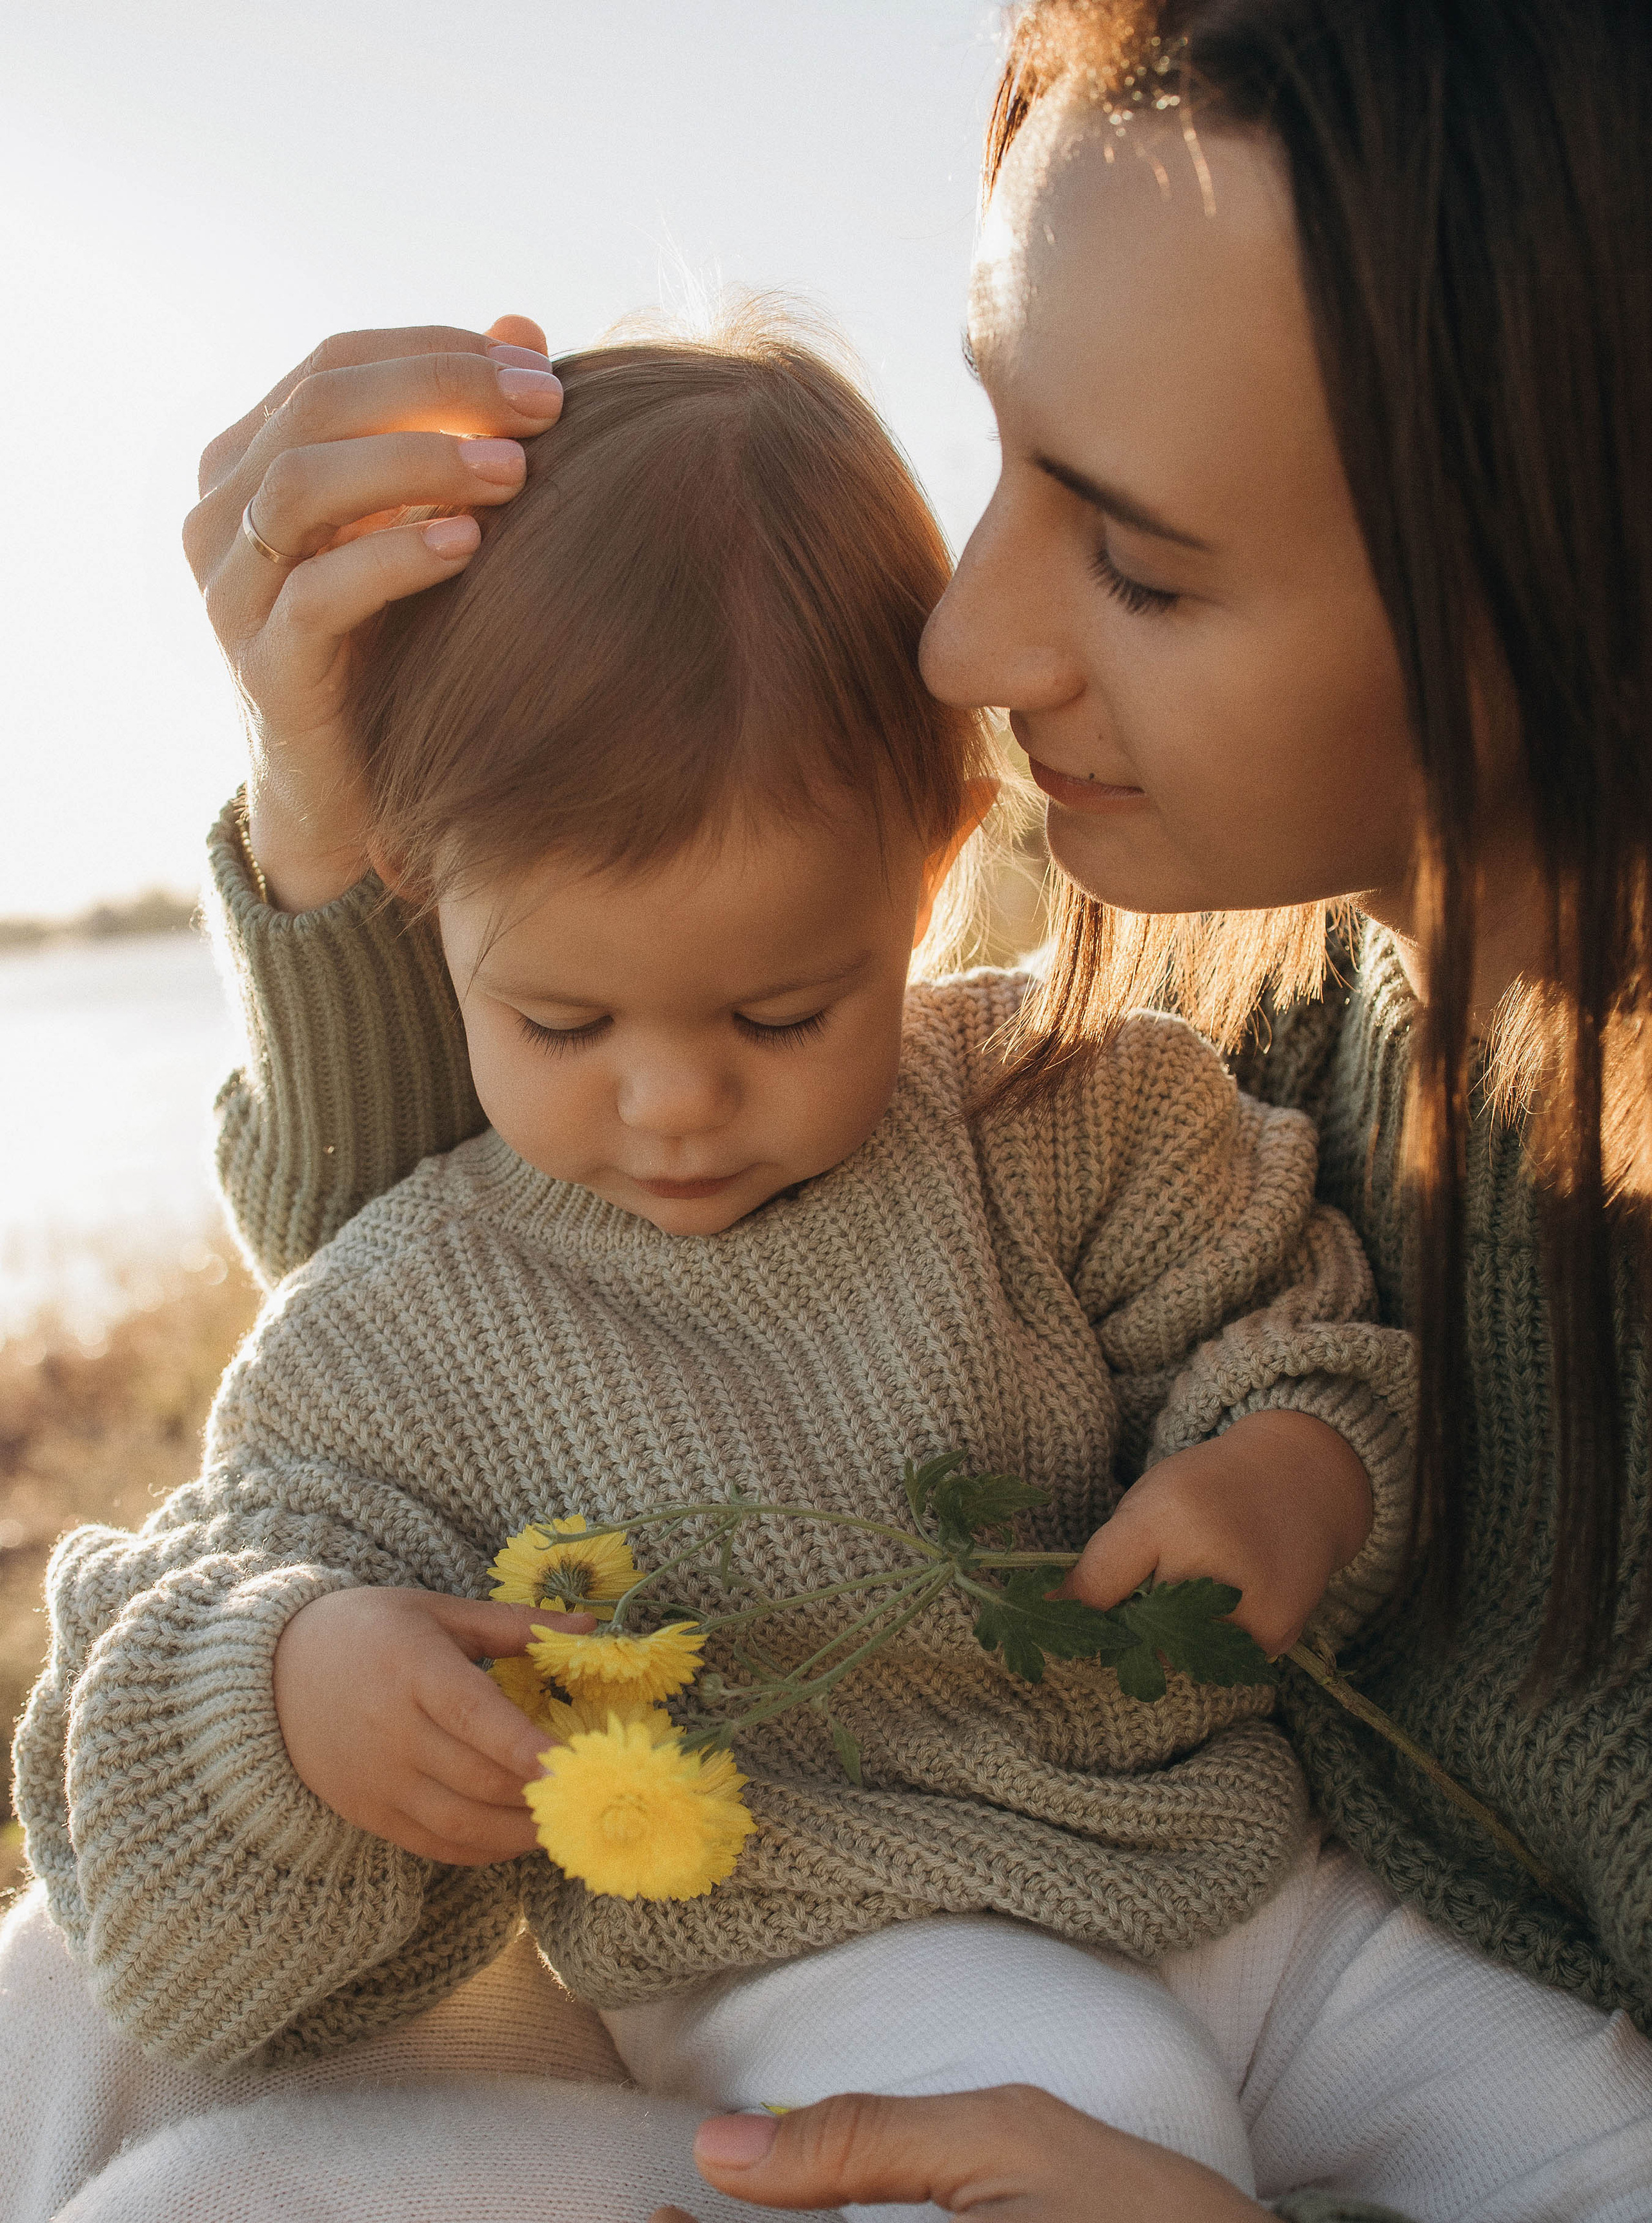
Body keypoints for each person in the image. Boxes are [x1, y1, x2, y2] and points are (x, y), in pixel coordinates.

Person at [3, 0, 1649, 2215]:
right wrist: (337, 823)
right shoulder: (1203, 945)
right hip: (836, 1936)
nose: (959, 639)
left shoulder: (1070, 1104)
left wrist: (1280, 1483)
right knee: (59, 2046)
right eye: (1002, 459)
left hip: (1221, 1923)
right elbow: (438, 1349)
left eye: (1139, 556)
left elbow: (1291, 1341)